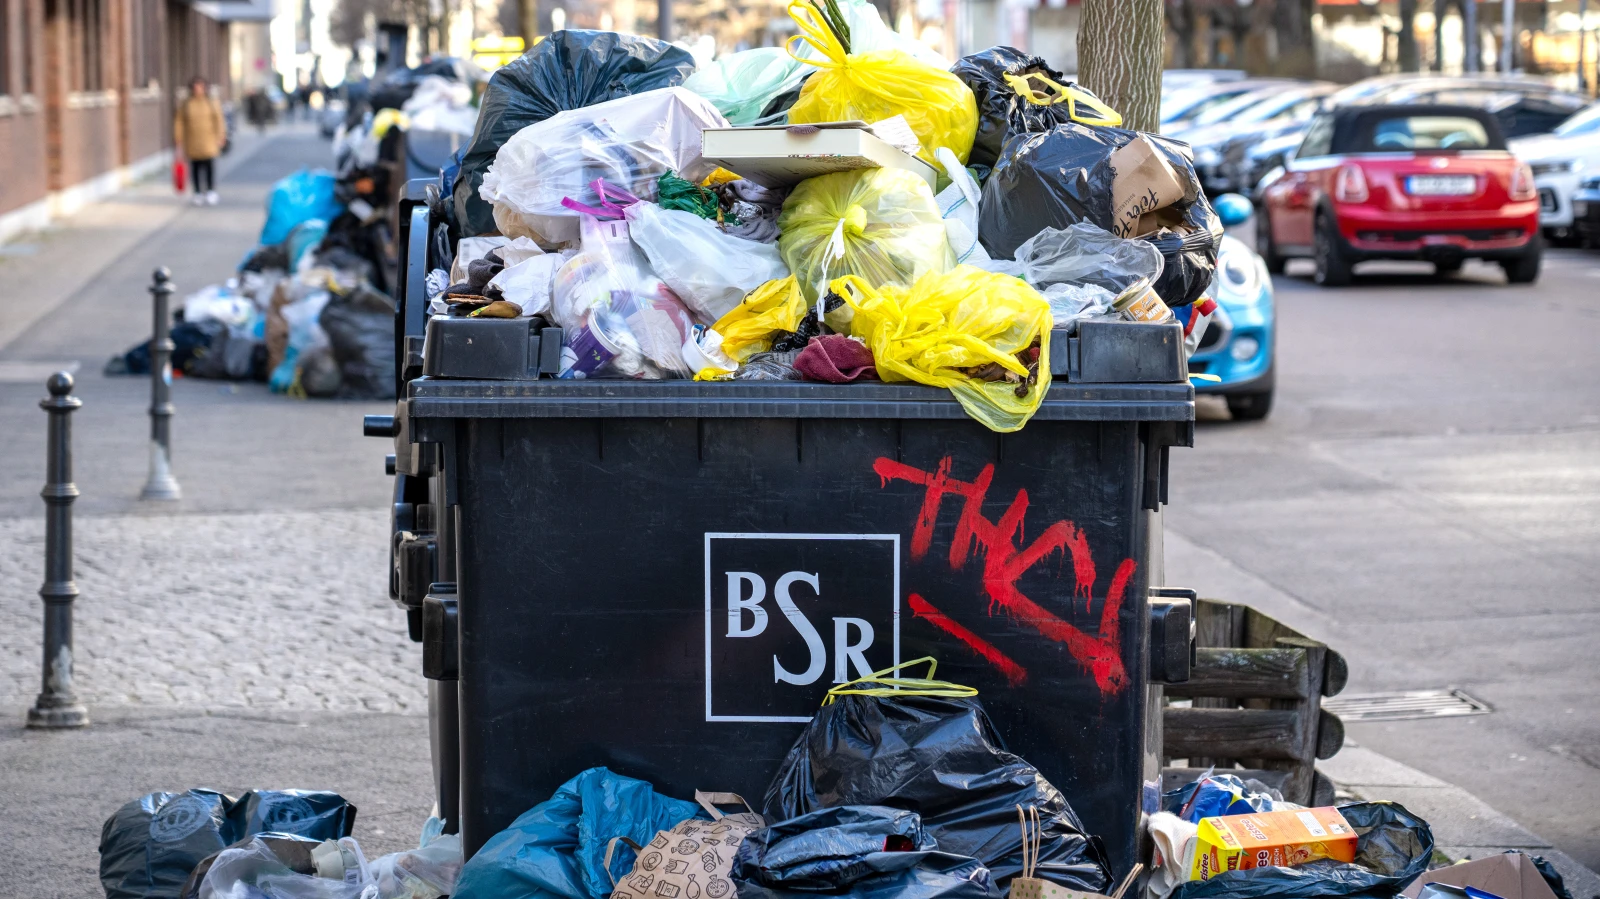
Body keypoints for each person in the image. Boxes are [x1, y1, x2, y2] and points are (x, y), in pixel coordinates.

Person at [174, 77, 225, 206]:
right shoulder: (187, 103)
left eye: (200, 87)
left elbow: (218, 120)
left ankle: (210, 190)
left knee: (209, 166)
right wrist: (178, 137)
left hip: (208, 139)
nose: (198, 90)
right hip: (192, 139)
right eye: (195, 87)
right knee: (195, 166)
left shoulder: (211, 102)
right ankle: (197, 192)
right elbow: (179, 120)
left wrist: (220, 136)